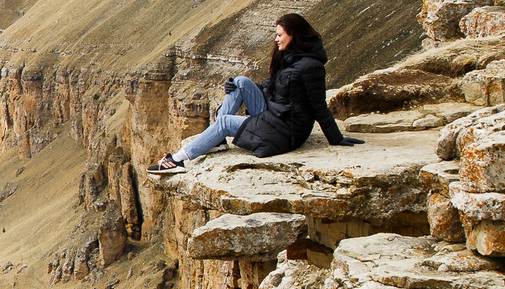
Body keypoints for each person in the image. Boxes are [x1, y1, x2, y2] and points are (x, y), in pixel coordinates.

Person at [147, 13, 358, 174]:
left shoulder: (311, 67)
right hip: (274, 117)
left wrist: (336, 137)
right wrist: (236, 89)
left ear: (294, 36)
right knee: (240, 82)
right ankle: (218, 141)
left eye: (279, 35)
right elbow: (268, 88)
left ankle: (177, 160)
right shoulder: (287, 57)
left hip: (286, 130)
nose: (276, 39)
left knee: (224, 123)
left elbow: (318, 105)